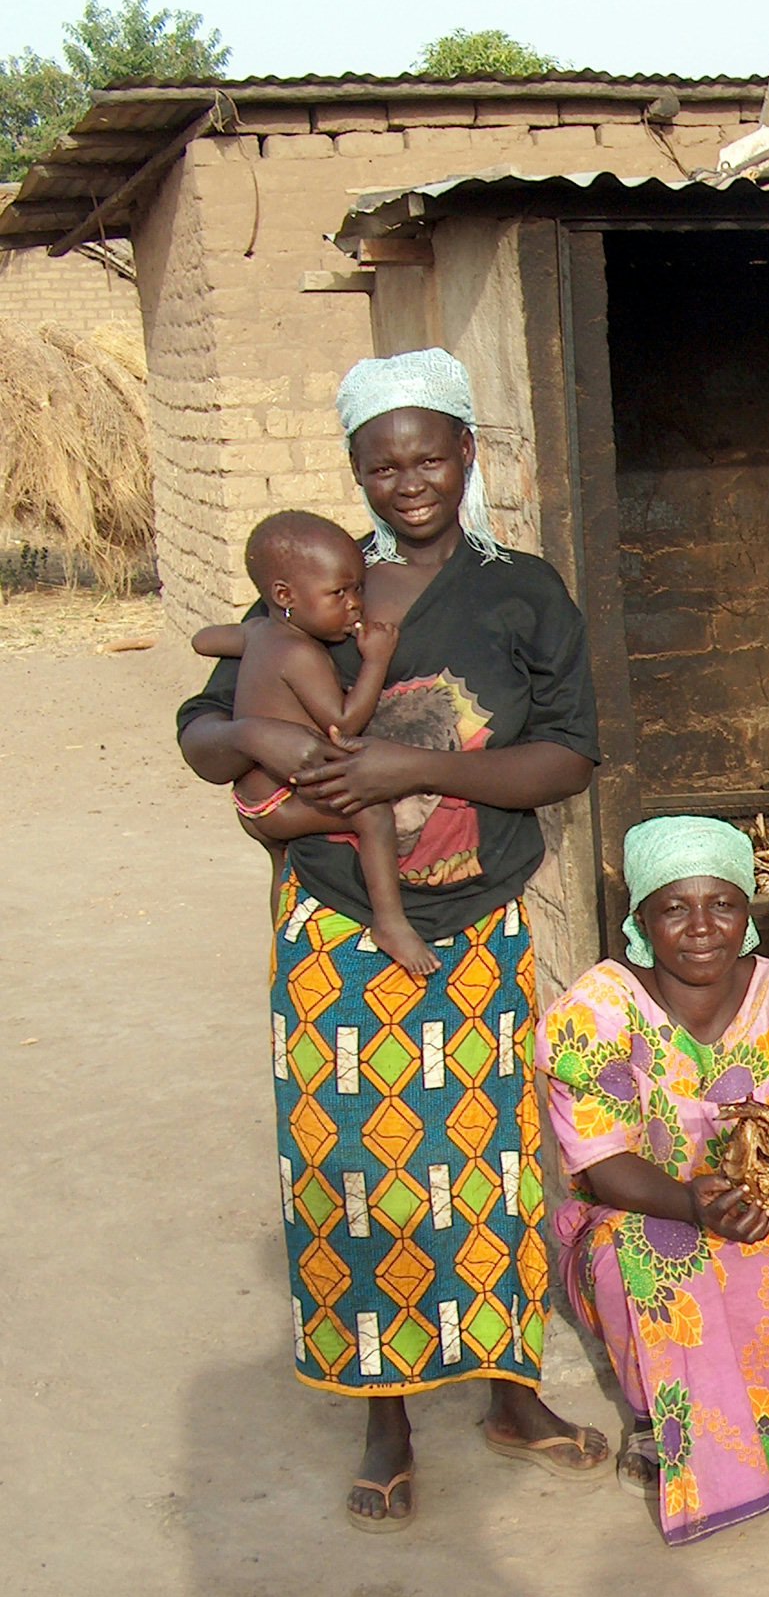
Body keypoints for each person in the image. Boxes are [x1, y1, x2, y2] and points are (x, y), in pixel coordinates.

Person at [176, 347, 609, 1532]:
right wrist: (246, 760)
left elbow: (568, 754)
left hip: (474, 927)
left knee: (496, 1168)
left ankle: (513, 1396)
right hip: (335, 927)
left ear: (469, 454)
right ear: (357, 472)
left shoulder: (523, 590)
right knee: (353, 1172)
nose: (408, 480)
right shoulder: (319, 579)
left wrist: (411, 765)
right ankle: (386, 1416)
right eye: (384, 463)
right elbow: (207, 721)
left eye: (430, 455)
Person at [537, 818, 769, 1543]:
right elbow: (603, 1166)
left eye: (722, 905)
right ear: (641, 919)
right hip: (640, 1207)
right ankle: (658, 1416)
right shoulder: (598, 1010)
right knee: (656, 1257)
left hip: (758, 1200)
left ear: (749, 912)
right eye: (675, 908)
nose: (702, 928)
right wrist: (690, 1204)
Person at [190, 511, 433, 973]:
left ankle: (283, 940)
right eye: (338, 594)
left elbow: (204, 641)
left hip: (253, 803)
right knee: (373, 814)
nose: (355, 606)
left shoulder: (262, 632)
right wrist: (375, 662)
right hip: (282, 802)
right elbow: (345, 721)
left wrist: (242, 641)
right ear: (284, 596)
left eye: (358, 589)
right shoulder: (303, 655)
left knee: (283, 870)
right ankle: (390, 922)